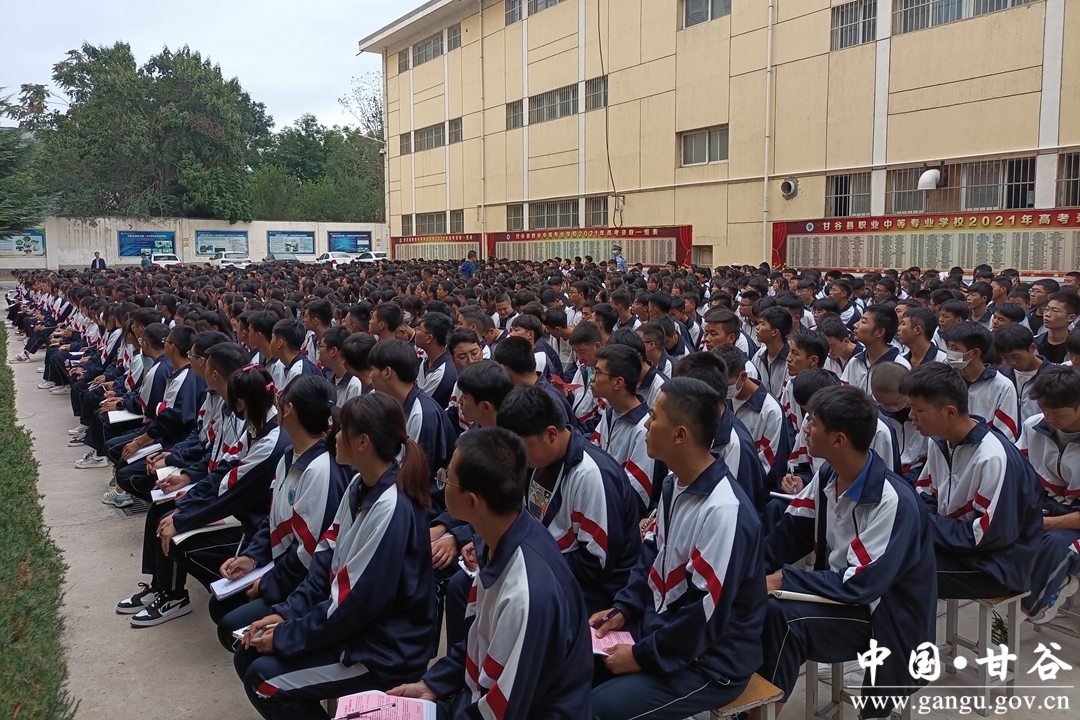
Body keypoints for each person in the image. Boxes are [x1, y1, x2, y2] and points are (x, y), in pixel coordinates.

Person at [233, 393, 437, 720]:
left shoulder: (391, 507)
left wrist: (287, 636)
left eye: (342, 430)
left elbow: (355, 605)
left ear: (363, 443)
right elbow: (323, 561)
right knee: (247, 654)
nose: (335, 435)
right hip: (353, 628)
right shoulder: (358, 485)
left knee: (264, 680)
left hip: (382, 649)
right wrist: (287, 614)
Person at [590, 378, 765, 720]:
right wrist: (624, 607)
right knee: (574, 664)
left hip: (711, 660)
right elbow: (652, 553)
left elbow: (703, 614)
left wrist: (640, 656)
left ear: (680, 435)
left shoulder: (724, 510)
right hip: (663, 630)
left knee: (600, 708)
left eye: (654, 417)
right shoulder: (674, 483)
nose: (646, 424)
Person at [390, 428, 594, 718]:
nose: (441, 483)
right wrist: (432, 685)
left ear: (473, 502)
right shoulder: (501, 537)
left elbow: (500, 709)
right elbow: (480, 640)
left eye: (446, 478)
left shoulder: (525, 591)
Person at [761, 385, 936, 718]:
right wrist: (749, 575)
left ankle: (759, 714)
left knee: (781, 617)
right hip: (842, 595)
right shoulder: (829, 474)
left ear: (839, 440)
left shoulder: (892, 500)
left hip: (884, 615)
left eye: (813, 422)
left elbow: (861, 584)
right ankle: (749, 702)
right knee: (754, 604)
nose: (805, 428)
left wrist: (782, 579)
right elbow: (790, 533)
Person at [122, 363, 289, 627]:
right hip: (241, 508)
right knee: (163, 514)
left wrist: (183, 516)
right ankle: (164, 589)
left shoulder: (271, 441)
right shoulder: (258, 423)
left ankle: (202, 595)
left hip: (256, 525)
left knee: (176, 538)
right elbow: (225, 467)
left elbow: (230, 491)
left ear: (243, 403)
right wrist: (186, 487)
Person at [211, 375, 349, 650]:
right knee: (220, 605)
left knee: (229, 625)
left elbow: (309, 556)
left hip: (306, 586)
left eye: (280, 397)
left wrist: (266, 585)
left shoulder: (320, 471)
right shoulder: (289, 455)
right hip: (281, 569)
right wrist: (251, 557)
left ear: (289, 410)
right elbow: (275, 520)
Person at [902, 363, 1042, 599]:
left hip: (995, 566)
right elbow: (924, 496)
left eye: (918, 410)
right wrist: (919, 523)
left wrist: (921, 524)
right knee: (884, 552)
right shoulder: (939, 441)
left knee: (896, 571)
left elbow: (985, 536)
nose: (911, 416)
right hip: (955, 548)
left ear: (949, 412)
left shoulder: (992, 457)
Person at [497, 385, 641, 613]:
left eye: (521, 448)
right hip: (545, 559)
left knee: (516, 603)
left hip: (594, 589)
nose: (516, 456)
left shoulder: (591, 474)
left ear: (551, 434)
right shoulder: (538, 458)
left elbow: (596, 564)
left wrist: (528, 559)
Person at [1018, 366, 1080, 621]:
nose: (1049, 418)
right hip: (1047, 505)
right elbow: (1019, 475)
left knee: (1056, 545)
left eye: (1058, 413)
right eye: (1044, 410)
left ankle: (1026, 611)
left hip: (1072, 517)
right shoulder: (1034, 426)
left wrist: (1048, 524)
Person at [590, 344, 657, 517]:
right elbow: (594, 450)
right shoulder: (611, 411)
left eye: (598, 372)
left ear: (618, 382)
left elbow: (636, 493)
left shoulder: (643, 428)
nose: (592, 378)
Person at [943, 321, 1021, 441]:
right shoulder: (946, 380)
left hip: (986, 449)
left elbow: (1006, 433)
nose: (949, 352)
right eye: (949, 347)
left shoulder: (1002, 386)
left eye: (955, 348)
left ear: (975, 353)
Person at [842, 305, 910, 394]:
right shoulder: (855, 361)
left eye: (863, 322)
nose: (855, 325)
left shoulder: (900, 366)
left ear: (880, 332)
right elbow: (845, 395)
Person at [415, 311, 459, 408]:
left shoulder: (441, 373)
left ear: (429, 338)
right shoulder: (426, 361)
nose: (416, 332)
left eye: (419, 329)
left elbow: (419, 404)